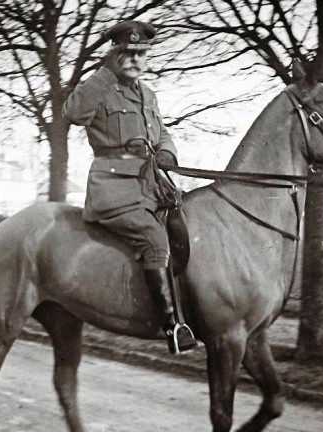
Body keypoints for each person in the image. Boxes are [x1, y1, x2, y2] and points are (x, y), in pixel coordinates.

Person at [63, 20, 196, 354]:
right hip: (113, 190)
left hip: (149, 186)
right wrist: (106, 73)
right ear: (115, 55)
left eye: (142, 53)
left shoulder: (147, 94)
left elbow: (161, 133)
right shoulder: (100, 87)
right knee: (154, 240)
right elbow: (73, 112)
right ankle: (172, 326)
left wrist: (167, 152)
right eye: (128, 52)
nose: (136, 59)